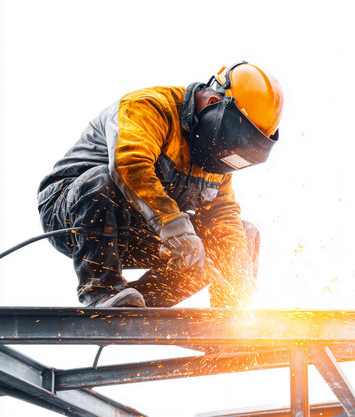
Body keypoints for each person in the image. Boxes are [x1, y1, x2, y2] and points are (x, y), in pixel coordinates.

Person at [37, 61, 283, 308]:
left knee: (243, 234)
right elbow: (130, 167)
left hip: (142, 226)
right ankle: (102, 292)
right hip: (73, 212)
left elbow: (222, 215)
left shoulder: (213, 156)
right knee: (102, 182)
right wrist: (179, 231)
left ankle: (213, 325)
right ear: (212, 105)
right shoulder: (149, 106)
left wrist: (238, 280)